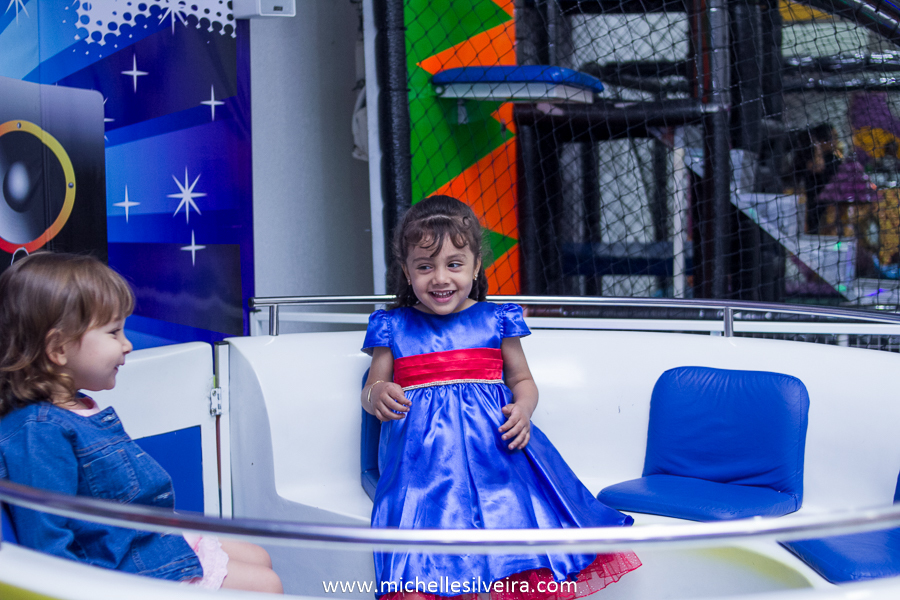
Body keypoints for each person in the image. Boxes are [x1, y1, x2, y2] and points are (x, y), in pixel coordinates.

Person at [361, 196, 641, 600]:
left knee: (519, 548)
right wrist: (378, 394)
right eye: (425, 266)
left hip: (500, 462)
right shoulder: (392, 326)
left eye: (454, 264)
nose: (440, 278)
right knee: (426, 572)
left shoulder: (496, 319)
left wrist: (523, 409)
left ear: (476, 267)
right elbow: (370, 389)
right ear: (406, 272)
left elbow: (523, 379)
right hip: (423, 474)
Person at [0, 252, 283, 594]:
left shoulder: (78, 406)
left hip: (148, 541)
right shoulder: (38, 432)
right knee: (266, 585)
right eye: (114, 332)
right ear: (58, 348)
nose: (127, 345)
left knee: (259, 557)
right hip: (123, 567)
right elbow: (48, 548)